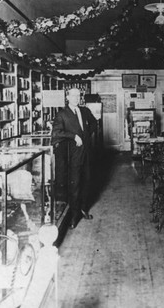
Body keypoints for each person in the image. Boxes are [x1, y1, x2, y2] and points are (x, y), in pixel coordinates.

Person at [51, 88, 97, 229]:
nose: (76, 98)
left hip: (87, 153)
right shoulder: (62, 114)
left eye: (78, 95)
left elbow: (94, 123)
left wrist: (85, 137)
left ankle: (83, 208)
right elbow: (56, 133)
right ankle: (74, 215)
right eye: (73, 95)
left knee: (87, 181)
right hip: (73, 155)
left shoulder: (85, 111)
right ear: (67, 97)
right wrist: (74, 136)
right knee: (75, 184)